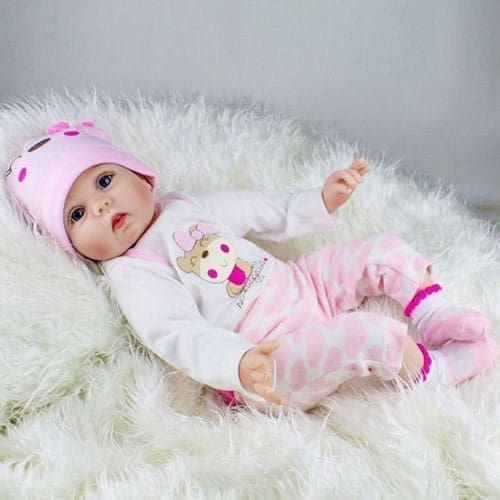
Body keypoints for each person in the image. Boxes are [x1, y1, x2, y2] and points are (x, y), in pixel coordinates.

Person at [5, 121, 497, 410]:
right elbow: (176, 334)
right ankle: (432, 372)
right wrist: (237, 365)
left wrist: (318, 200)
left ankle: (434, 313)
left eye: (104, 181)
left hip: (301, 285)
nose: (99, 206)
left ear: (140, 175)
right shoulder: (134, 271)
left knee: (382, 248)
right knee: (367, 334)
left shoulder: (184, 205)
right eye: (76, 214)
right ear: (74, 246)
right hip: (269, 356)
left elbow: (258, 208)